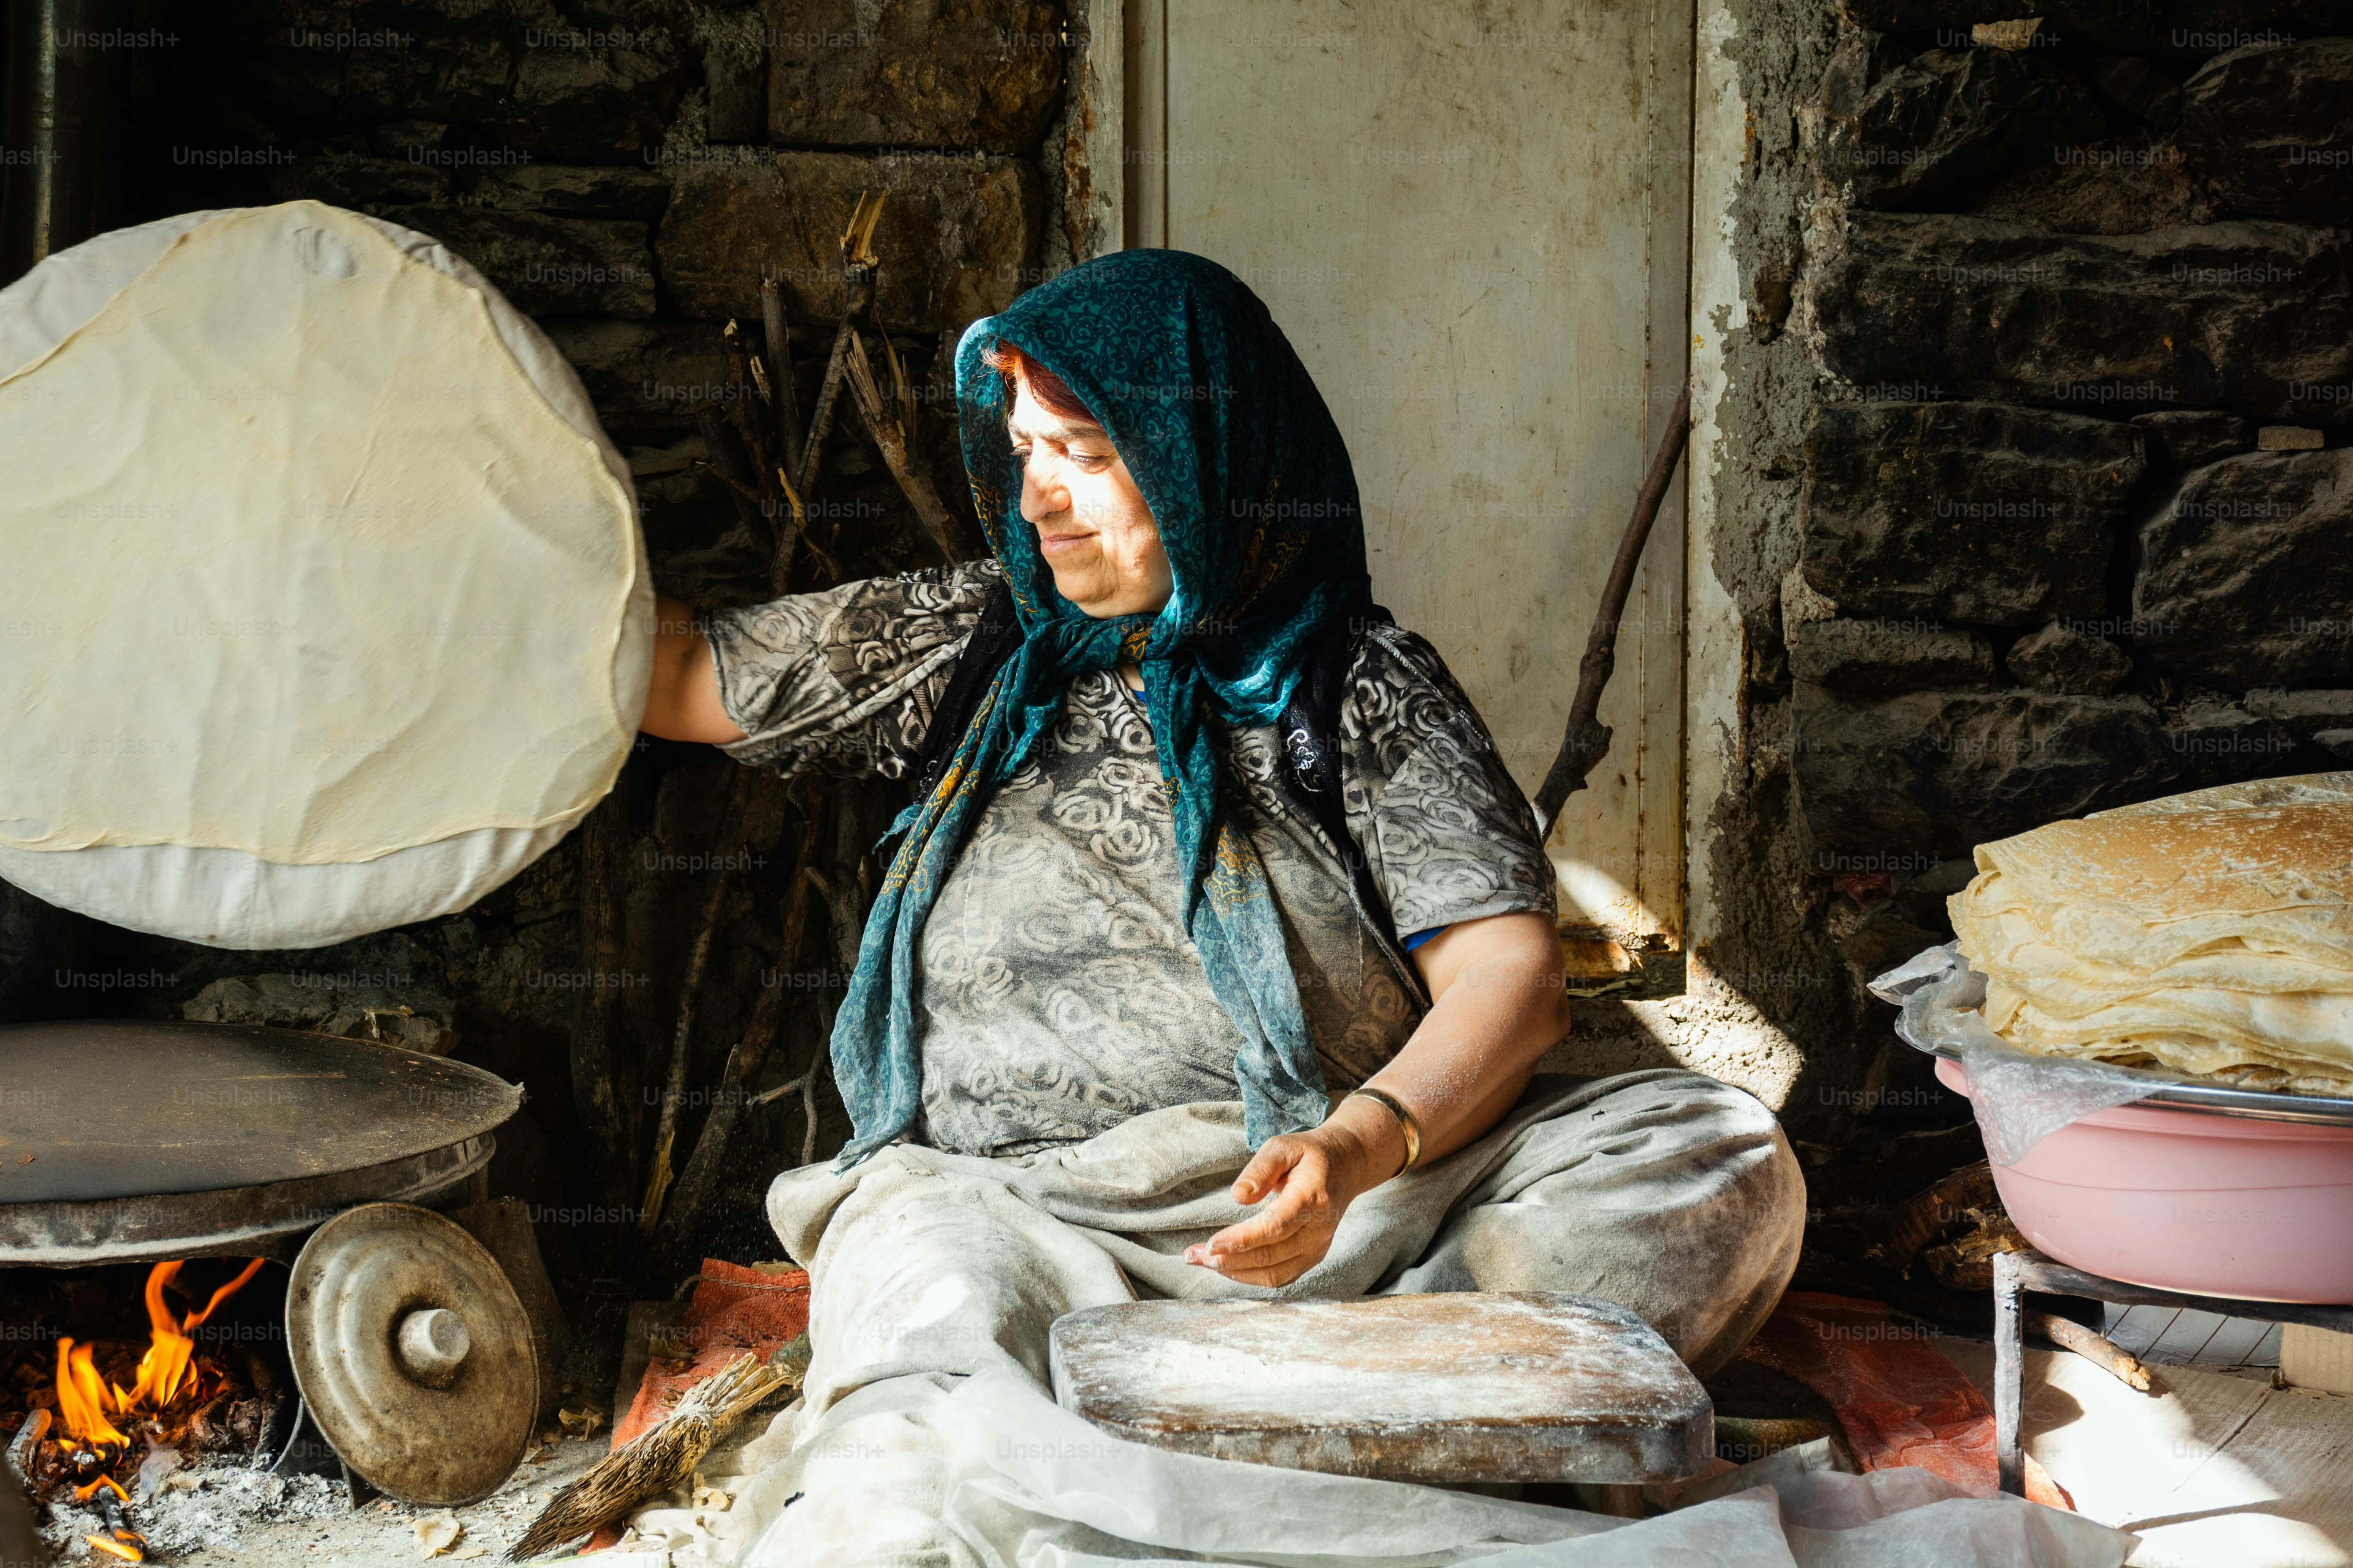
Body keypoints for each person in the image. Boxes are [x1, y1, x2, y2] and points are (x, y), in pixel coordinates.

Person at [639, 249, 1801, 1564]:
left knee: (1712, 1151)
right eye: (1023, 452)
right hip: (1016, 1214)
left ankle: (1223, 1422)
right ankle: (1343, 1440)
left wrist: (1356, 1147)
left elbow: (1509, 983)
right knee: (913, 1391)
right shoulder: (960, 644)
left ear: (1200, 453)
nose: (1038, 503)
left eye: (1082, 454)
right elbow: (670, 674)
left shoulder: (1355, 683)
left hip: (1336, 1225)